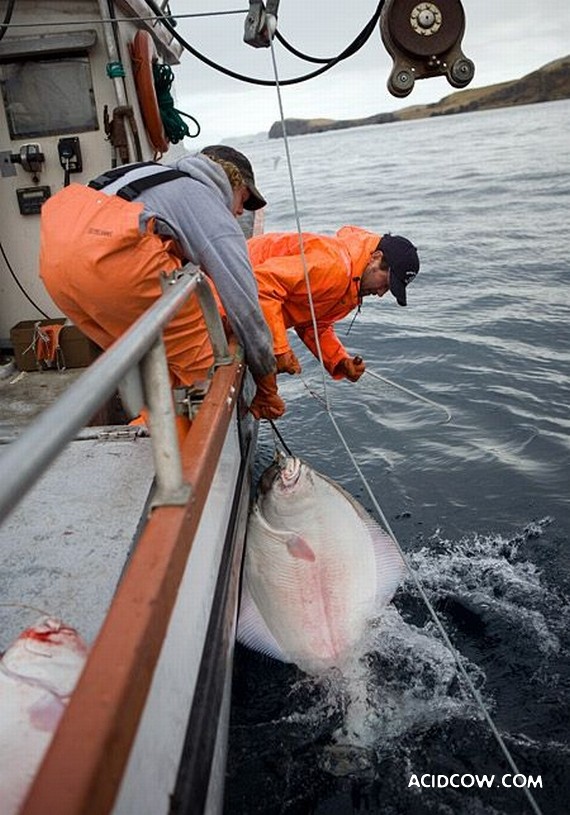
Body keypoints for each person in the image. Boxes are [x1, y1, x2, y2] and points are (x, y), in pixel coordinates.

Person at [39, 145, 286, 428]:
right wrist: (267, 383)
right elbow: (244, 302)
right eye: (244, 199)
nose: (241, 211)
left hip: (55, 262)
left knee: (153, 362)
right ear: (232, 181)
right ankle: (189, 464)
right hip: (116, 259)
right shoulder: (204, 198)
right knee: (207, 376)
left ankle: (144, 441)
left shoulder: (151, 176)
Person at [247, 227, 420, 381]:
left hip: (241, 301)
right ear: (376, 258)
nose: (381, 293)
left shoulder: (353, 282)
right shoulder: (334, 266)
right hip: (226, 286)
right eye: (386, 284)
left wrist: (340, 361)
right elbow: (261, 285)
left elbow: (314, 323)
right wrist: (280, 350)